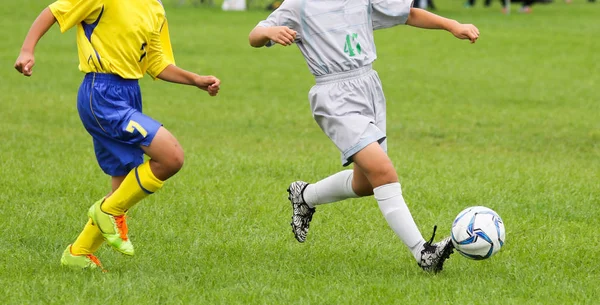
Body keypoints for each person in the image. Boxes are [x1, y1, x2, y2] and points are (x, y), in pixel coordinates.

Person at [249, 0, 479, 273]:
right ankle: (423, 253)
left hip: (369, 87)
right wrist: (269, 33)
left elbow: (408, 14)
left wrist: (453, 26)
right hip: (334, 96)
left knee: (367, 183)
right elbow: (254, 35)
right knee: (383, 171)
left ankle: (306, 195)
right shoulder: (299, 5)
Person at [15, 0, 220, 271]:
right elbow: (54, 11)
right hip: (101, 93)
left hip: (130, 93)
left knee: (123, 184)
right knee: (171, 157)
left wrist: (195, 79)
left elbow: (156, 62)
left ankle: (79, 252)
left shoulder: (155, 8)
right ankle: (107, 211)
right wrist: (27, 50)